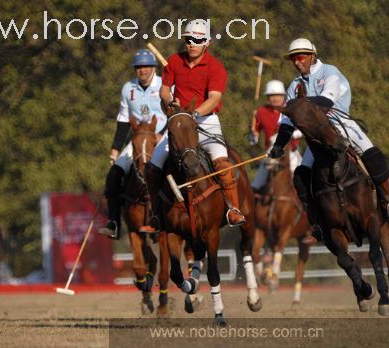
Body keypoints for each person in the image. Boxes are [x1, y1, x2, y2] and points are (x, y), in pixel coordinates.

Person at [269, 38, 389, 243]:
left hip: (341, 122)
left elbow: (327, 100)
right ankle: (317, 224)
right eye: (293, 59)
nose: (297, 62)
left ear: (312, 56)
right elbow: (288, 123)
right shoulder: (294, 86)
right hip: (317, 136)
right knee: (300, 175)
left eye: (300, 57)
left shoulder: (329, 72)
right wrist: (278, 146)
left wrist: (299, 103)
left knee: (373, 156)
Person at [139, 19, 245, 233]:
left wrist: (194, 114)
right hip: (179, 123)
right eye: (188, 39)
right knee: (153, 168)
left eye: (197, 40)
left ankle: (233, 209)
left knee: (223, 165)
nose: (192, 44)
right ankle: (156, 216)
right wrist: (170, 103)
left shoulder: (215, 67)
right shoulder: (174, 62)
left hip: (206, 121)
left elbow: (214, 98)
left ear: (206, 42)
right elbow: (164, 90)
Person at [98, 49, 167, 239]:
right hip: (138, 141)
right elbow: (123, 120)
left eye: (146, 66)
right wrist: (115, 148)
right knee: (114, 174)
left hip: (164, 138)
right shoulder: (128, 88)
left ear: (154, 67)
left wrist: (161, 134)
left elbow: (174, 111)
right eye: (138, 67)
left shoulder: (164, 84)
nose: (142, 70)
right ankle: (114, 222)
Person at [250, 80, 302, 194]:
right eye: (271, 95)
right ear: (267, 97)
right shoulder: (260, 112)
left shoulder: (291, 109)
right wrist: (253, 137)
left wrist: (291, 134)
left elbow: (302, 130)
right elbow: (255, 134)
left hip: (291, 153)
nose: (275, 98)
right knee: (255, 185)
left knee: (301, 182)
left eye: (278, 95)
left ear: (283, 96)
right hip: (271, 153)